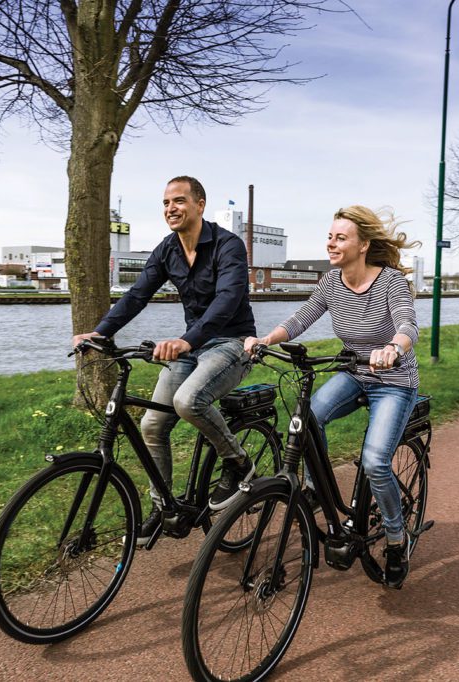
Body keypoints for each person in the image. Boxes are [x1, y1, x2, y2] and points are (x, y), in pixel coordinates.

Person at [73, 176, 258, 545]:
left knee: (188, 401)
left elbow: (226, 301)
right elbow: (137, 294)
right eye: (165, 203)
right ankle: (164, 507)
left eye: (179, 201)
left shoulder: (228, 245)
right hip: (192, 346)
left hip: (231, 343)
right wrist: (100, 332)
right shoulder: (167, 249)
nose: (170, 208)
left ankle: (238, 462)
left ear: (200, 204)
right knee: (152, 425)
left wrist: (186, 340)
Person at [243, 205, 420, 588]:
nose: (331, 243)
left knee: (374, 462)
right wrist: (267, 340)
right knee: (306, 419)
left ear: (363, 245)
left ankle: (395, 538)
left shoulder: (390, 282)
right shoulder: (331, 282)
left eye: (341, 237)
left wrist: (393, 346)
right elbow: (301, 318)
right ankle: (317, 490)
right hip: (354, 373)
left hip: (393, 380)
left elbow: (407, 324)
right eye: (329, 236)